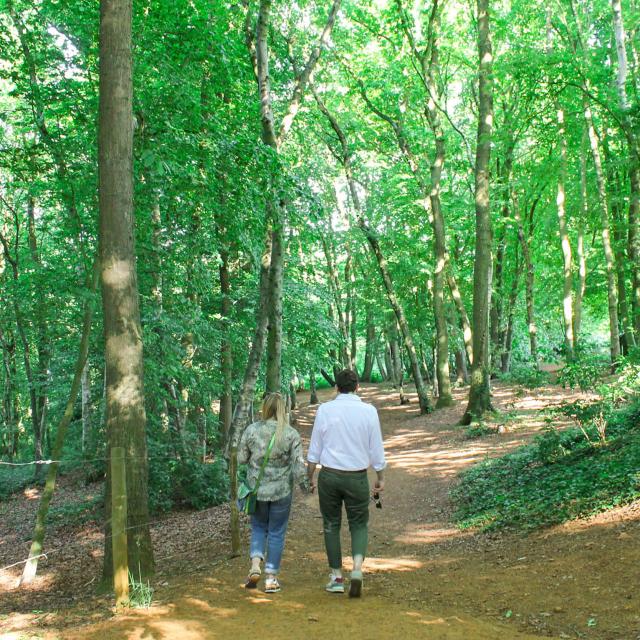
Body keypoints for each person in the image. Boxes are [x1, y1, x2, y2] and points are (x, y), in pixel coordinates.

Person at [307, 369, 386, 598]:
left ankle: (336, 577)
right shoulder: (369, 412)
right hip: (357, 477)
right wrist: (380, 477)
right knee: (359, 524)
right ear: (357, 387)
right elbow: (376, 449)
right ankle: (358, 569)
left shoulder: (325, 410)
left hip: (329, 476)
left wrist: (309, 476)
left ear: (337, 388)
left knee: (331, 524)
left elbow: (315, 450)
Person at [238, 392, 308, 593]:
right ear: (282, 410)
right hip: (281, 491)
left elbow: (242, 458)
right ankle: (271, 578)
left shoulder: (252, 430)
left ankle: (254, 565)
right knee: (276, 532)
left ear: (265, 408)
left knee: (259, 527)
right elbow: (297, 465)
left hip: (256, 491)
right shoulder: (290, 433)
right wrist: (305, 487)